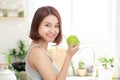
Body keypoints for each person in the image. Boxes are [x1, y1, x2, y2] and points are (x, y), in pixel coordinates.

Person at [25, 6, 80, 80]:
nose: (53, 30)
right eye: (47, 25)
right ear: (37, 25)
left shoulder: (40, 48)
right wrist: (69, 55)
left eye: (56, 26)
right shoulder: (38, 52)